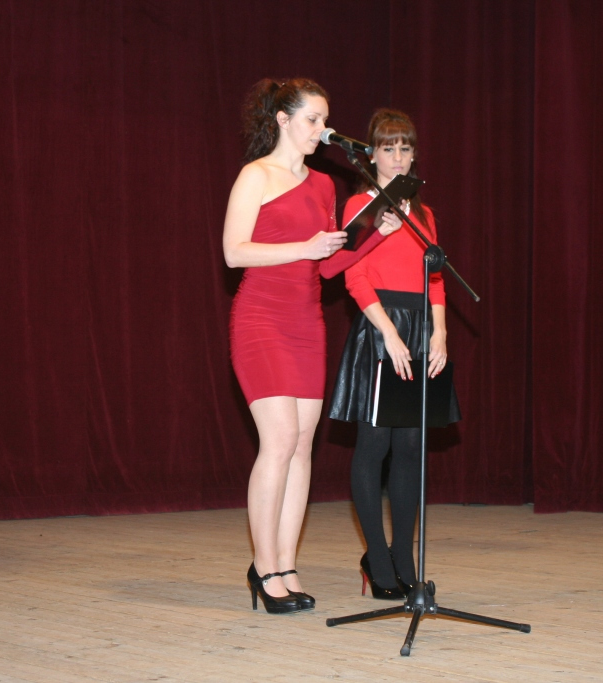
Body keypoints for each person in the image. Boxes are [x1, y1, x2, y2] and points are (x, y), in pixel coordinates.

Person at [223, 79, 396, 613]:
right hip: (261, 318)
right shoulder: (256, 175)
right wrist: (305, 245)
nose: (323, 130)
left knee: (301, 446)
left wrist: (376, 234)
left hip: (306, 321)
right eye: (313, 120)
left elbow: (324, 267)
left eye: (325, 120)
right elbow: (234, 252)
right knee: (277, 441)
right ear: (282, 119)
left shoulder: (323, 185)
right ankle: (264, 568)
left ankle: (286, 566)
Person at [327, 109, 461, 598]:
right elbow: (354, 276)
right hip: (380, 327)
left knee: (410, 448)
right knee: (375, 446)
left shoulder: (425, 215)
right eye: (389, 148)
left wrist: (439, 333)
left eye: (405, 148)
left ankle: (404, 557)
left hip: (421, 327)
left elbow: (436, 278)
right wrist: (387, 332)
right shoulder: (360, 205)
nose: (398, 157)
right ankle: (377, 560)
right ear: (372, 154)